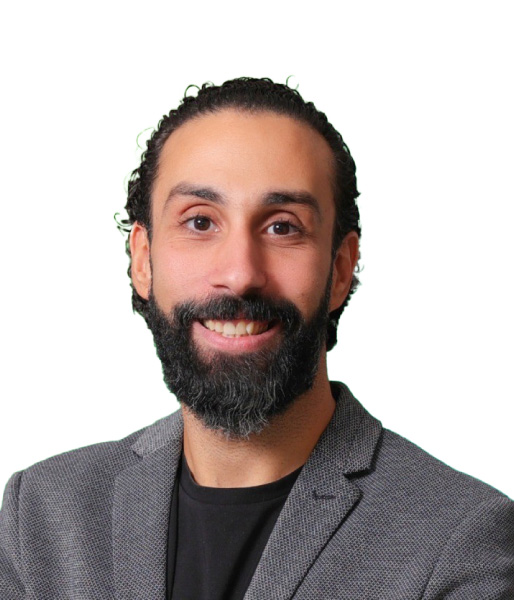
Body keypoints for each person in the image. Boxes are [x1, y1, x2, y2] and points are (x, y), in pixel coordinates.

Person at [0, 77, 512, 600]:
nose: (241, 274)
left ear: (340, 269)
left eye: (282, 227)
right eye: (200, 222)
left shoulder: (460, 542)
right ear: (143, 260)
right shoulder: (40, 515)